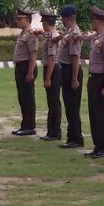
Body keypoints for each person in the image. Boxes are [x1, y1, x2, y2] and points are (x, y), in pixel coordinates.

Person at [75, 6, 104, 159]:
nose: (91, 22)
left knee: (103, 115)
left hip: (102, 79)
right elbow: (86, 37)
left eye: (92, 20)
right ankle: (98, 146)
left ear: (98, 21)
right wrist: (78, 37)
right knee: (94, 114)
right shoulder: (97, 37)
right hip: (93, 78)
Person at [56, 5, 85, 149]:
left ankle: (76, 138)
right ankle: (72, 136)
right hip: (66, 70)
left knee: (73, 106)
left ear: (66, 18)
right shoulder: (69, 32)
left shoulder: (74, 33)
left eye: (62, 18)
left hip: (72, 71)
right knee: (69, 106)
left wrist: (74, 79)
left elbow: (75, 58)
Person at [10, 8, 38, 136]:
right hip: (20, 67)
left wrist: (30, 72)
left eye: (19, 19)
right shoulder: (22, 34)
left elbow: (33, 54)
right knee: (22, 97)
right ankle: (25, 124)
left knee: (28, 98)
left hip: (27, 67)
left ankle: (29, 126)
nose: (17, 21)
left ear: (27, 20)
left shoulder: (30, 34)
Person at [38, 13, 62, 141]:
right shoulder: (50, 35)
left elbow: (52, 59)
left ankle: (55, 132)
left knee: (54, 102)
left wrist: (48, 78)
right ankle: (51, 130)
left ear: (47, 23)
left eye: (43, 22)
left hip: (53, 70)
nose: (42, 24)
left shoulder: (53, 37)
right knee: (51, 102)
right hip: (51, 69)